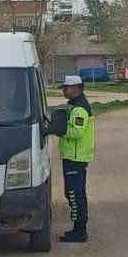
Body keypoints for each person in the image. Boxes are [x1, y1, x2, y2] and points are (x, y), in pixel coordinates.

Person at [56, 74, 96, 243]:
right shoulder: (73, 106)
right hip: (71, 156)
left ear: (76, 88)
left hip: (76, 158)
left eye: (66, 88)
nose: (63, 91)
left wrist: (59, 130)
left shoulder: (80, 109)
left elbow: (77, 132)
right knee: (71, 192)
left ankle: (80, 231)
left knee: (75, 194)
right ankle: (78, 228)